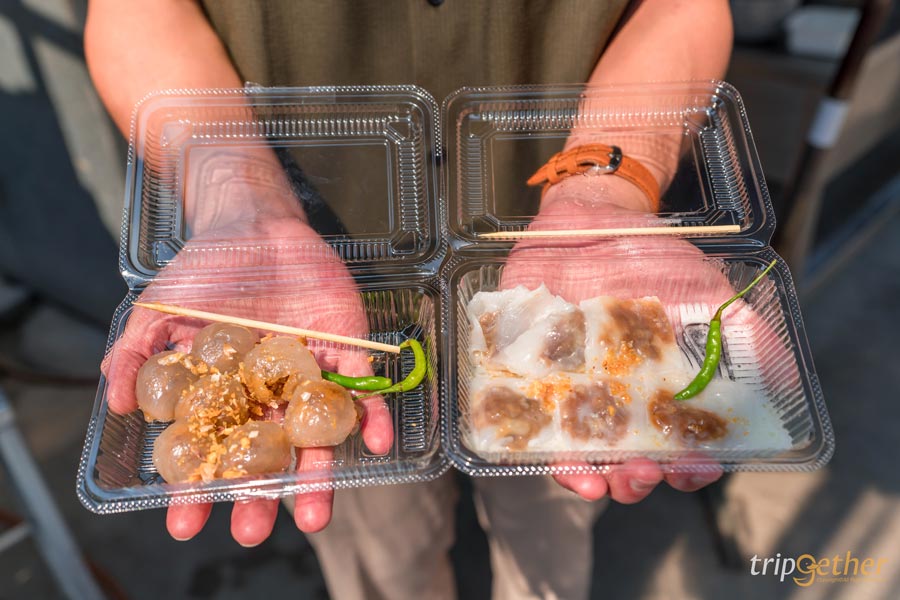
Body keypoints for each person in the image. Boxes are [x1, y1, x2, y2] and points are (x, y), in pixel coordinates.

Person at [84, 1, 734, 598]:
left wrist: (605, 188)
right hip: (313, 305)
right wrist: (238, 197)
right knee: (386, 563)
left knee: (551, 530)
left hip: (564, 280)